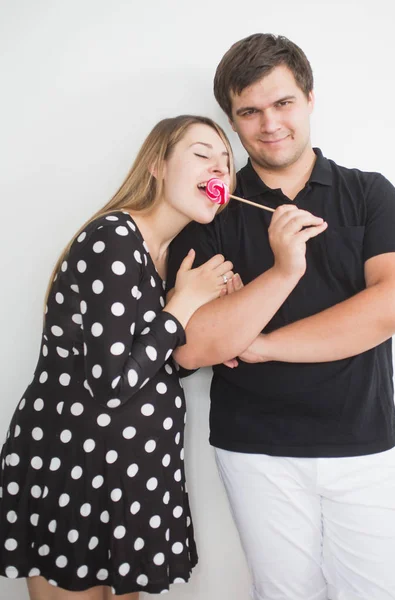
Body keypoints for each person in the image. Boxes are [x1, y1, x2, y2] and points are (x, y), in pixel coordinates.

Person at [166, 35, 395, 600]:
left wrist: (261, 343)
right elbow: (190, 346)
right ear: (232, 121)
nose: (269, 123)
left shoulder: (370, 194)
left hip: (364, 444)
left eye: (282, 103)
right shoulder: (212, 214)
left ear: (309, 99)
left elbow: (394, 305)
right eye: (249, 111)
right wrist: (283, 271)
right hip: (256, 449)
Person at [0, 115, 237, 599]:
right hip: (78, 468)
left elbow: (149, 364)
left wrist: (207, 327)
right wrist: (184, 304)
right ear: (156, 165)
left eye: (227, 161)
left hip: (133, 474)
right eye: (202, 154)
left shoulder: (164, 254)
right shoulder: (114, 239)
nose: (219, 167)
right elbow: (110, 384)